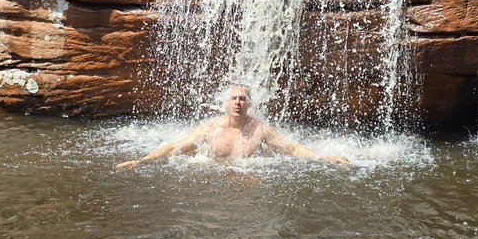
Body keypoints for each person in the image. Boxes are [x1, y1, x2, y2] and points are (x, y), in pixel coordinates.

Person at [116, 84, 349, 168]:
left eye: (243, 99)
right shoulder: (211, 128)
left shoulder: (260, 130)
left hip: (247, 189)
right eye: (234, 98)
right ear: (226, 103)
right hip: (215, 186)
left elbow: (291, 148)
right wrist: (141, 161)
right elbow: (176, 147)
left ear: (250, 104)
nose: (238, 102)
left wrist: (322, 157)